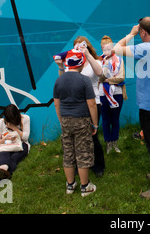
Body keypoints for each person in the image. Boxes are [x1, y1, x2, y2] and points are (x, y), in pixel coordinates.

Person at [113, 16, 150, 199]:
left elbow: (115, 49)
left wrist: (130, 34)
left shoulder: (145, 47)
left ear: (143, 32)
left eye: (139, 32)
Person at [54, 36, 105, 177]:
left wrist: (87, 54)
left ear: (87, 46)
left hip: (93, 102)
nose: (78, 48)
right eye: (75, 46)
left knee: (92, 137)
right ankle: (79, 166)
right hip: (76, 104)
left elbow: (100, 73)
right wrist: (60, 66)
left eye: (81, 46)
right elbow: (62, 78)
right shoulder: (71, 61)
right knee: (76, 139)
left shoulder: (93, 60)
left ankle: (98, 166)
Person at [53, 48, 98, 197]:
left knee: (68, 152)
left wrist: (61, 120)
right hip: (81, 120)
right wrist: (95, 124)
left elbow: (56, 103)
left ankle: (70, 185)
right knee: (83, 152)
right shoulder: (84, 80)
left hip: (65, 120)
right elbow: (91, 104)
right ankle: (85, 187)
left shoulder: (59, 80)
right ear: (81, 63)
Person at [98, 35, 127, 154]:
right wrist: (104, 71)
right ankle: (108, 142)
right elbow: (99, 78)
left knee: (115, 119)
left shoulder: (119, 60)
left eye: (109, 48)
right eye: (104, 49)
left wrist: (108, 80)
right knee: (105, 119)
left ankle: (114, 141)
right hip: (103, 94)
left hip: (118, 93)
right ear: (102, 48)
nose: (107, 51)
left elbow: (121, 78)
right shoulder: (99, 61)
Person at [0, 104, 30, 183]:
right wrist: (4, 140)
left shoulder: (25, 119)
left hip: (21, 145)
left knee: (14, 158)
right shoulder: (0, 123)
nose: (13, 122)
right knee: (4, 156)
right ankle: (2, 174)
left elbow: (25, 137)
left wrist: (14, 128)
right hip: (5, 145)